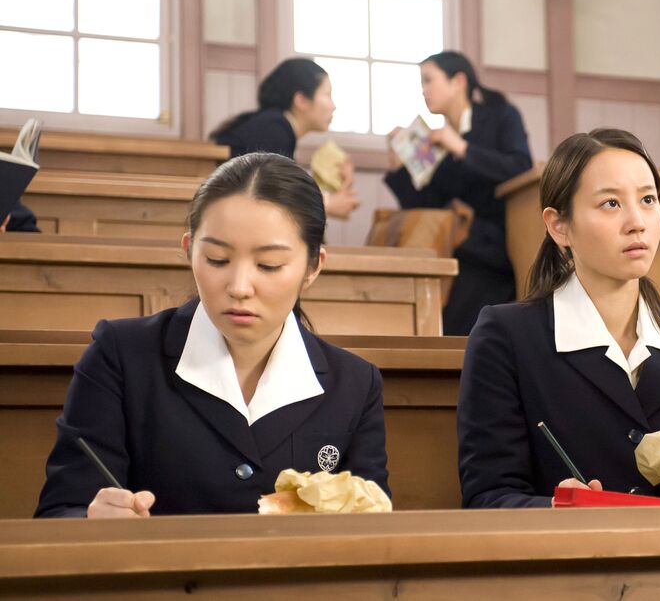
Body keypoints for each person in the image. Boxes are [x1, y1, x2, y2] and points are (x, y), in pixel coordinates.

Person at [35, 153, 389, 517]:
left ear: (313, 267)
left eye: (268, 265)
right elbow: (61, 510)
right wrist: (91, 518)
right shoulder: (121, 355)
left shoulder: (354, 384)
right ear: (189, 250)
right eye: (217, 259)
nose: (239, 287)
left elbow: (373, 522)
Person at [457, 128, 660, 508]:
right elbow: (487, 497)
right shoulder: (507, 337)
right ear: (558, 226)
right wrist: (557, 509)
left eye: (648, 199)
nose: (637, 222)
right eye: (611, 203)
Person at [384, 51, 533, 335]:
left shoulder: (500, 115)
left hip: (493, 246)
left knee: (453, 321)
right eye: (422, 83)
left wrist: (462, 148)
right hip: (453, 245)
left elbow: (520, 167)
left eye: (429, 80)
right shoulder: (435, 141)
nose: (424, 90)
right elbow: (426, 206)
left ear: (458, 81)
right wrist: (398, 167)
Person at [210, 58, 360, 220]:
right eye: (327, 95)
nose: (333, 106)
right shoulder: (272, 130)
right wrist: (328, 203)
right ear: (301, 100)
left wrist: (336, 185)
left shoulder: (275, 126)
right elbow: (271, 199)